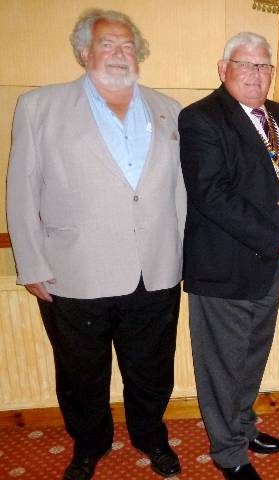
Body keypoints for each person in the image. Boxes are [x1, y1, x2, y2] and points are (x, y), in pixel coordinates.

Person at [6, 9, 186, 480]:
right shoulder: (39, 107)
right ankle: (90, 444)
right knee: (81, 374)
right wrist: (31, 263)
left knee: (151, 370)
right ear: (84, 51)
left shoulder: (170, 110)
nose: (119, 53)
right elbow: (22, 189)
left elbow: (181, 194)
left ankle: (150, 436)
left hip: (156, 271)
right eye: (107, 44)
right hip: (74, 271)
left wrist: (181, 254)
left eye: (128, 46)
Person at [179, 32, 279, 480]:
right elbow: (212, 195)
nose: (256, 75)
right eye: (246, 65)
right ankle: (228, 452)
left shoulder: (278, 115)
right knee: (222, 365)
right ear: (224, 69)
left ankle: (241, 424)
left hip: (270, 267)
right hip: (224, 267)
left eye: (264, 67)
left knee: (251, 357)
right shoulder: (201, 119)